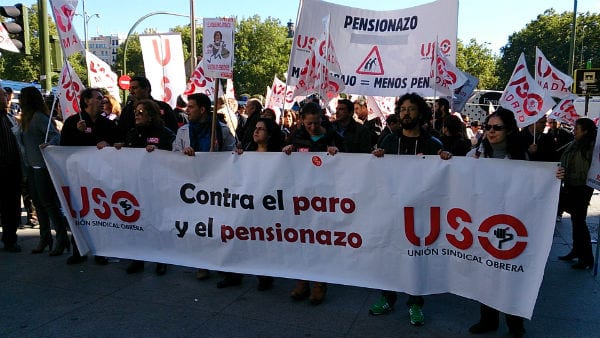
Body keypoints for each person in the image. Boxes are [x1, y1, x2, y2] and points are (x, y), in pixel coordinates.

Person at [370, 93, 452, 326]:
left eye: (411, 109)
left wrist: (445, 160)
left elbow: (444, 177)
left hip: (419, 213)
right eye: (402, 109)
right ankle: (387, 297)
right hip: (391, 211)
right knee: (389, 254)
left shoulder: (432, 144)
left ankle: (415, 302)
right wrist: (376, 158)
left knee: (415, 258)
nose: (406, 113)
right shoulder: (388, 141)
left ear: (421, 114)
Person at [466, 107, 527, 338]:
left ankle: (515, 325)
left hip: (511, 223)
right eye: (488, 127)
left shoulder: (522, 158)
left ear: (509, 130)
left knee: (509, 276)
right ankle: (488, 320)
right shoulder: (474, 156)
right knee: (486, 273)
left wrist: (553, 176)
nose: (491, 132)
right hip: (482, 223)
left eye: (497, 128)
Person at [283, 102, 341, 305]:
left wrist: (338, 153)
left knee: (320, 239)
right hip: (301, 196)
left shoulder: (333, 136)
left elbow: (351, 160)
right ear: (301, 121)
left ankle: (319, 283)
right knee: (301, 237)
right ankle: (302, 280)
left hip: (324, 198)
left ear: (322, 119)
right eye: (308, 124)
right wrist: (287, 150)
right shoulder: (296, 137)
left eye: (316, 123)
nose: (313, 128)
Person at [218, 118, 282, 290]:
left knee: (261, 240)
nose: (256, 131)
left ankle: (264, 277)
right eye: (255, 128)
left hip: (267, 204)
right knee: (238, 237)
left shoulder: (279, 155)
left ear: (270, 135)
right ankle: (234, 274)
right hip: (246, 202)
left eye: (261, 129)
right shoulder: (246, 150)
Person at [61, 87, 119, 265]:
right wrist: (77, 132)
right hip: (79, 176)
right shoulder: (73, 122)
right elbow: (63, 147)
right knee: (80, 213)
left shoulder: (108, 124)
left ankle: (101, 251)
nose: (103, 101)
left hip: (101, 177)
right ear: (87, 101)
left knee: (101, 214)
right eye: (99, 98)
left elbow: (117, 144)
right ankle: (78, 249)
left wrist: (108, 144)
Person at [117, 99, 175, 276]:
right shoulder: (133, 133)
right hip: (137, 185)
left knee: (158, 222)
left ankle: (161, 259)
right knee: (138, 221)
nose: (137, 114)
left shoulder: (165, 133)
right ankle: (138, 258)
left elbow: (174, 154)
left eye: (141, 112)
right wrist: (119, 149)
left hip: (157, 185)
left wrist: (158, 151)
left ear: (151, 115)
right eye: (136, 111)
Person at [172, 93, 225, 281]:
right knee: (199, 225)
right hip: (192, 185)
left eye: (191, 107)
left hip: (216, 186)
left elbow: (233, 154)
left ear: (202, 109)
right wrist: (183, 154)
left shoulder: (221, 130)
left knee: (216, 225)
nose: (187, 110)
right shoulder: (183, 131)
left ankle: (220, 261)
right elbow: (173, 154)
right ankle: (202, 263)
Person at [19, 87, 70, 256]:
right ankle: (45, 236)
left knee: (48, 204)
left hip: (42, 167)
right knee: (40, 204)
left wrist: (49, 144)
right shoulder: (27, 118)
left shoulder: (38, 118)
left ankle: (61, 238)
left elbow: (55, 136)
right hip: (32, 167)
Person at [556, 118, 597, 270]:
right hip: (571, 185)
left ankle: (587, 258)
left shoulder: (591, 147)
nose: (574, 131)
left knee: (579, 222)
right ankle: (576, 250)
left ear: (585, 131)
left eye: (577, 129)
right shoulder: (574, 143)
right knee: (576, 221)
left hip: (582, 187)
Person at [0, 86, 22, 252]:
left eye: (6, 95)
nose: (6, 98)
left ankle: (10, 239)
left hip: (13, 169)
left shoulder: (10, 117)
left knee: (11, 206)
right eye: (2, 95)